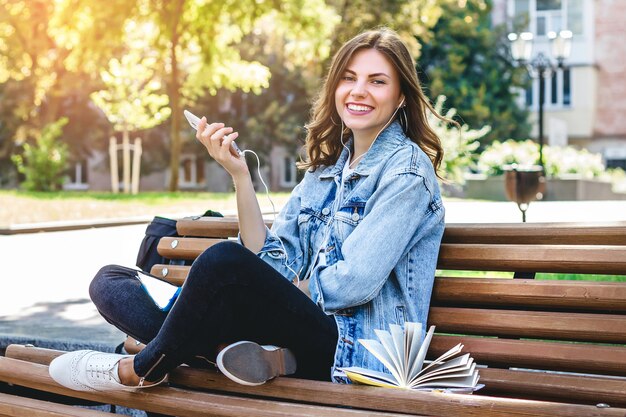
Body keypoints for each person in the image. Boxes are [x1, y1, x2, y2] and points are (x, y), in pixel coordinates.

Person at [49, 27, 447, 392]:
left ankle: (139, 370)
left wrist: (269, 293)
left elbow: (353, 282)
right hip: (289, 330)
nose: (358, 90)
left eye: (377, 82)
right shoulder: (327, 172)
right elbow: (274, 260)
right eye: (349, 77)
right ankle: (235, 352)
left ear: (399, 98)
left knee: (223, 260)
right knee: (112, 281)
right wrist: (240, 176)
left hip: (351, 351)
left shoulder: (408, 173)